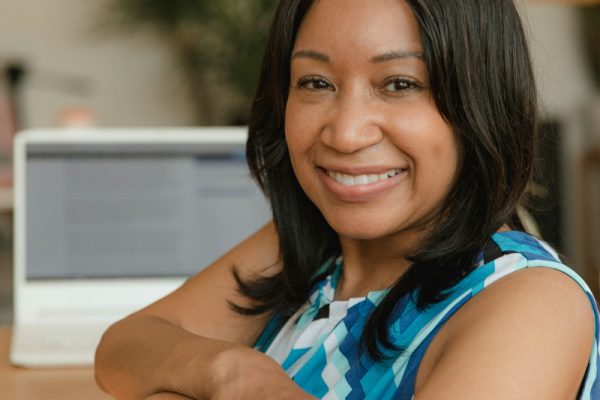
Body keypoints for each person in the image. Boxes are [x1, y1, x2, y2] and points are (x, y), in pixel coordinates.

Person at [94, 0, 600, 398]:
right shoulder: (313, 245)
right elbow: (124, 348)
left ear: (480, 102)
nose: (345, 133)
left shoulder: (530, 301)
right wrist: (233, 372)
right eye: (316, 82)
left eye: (400, 84)